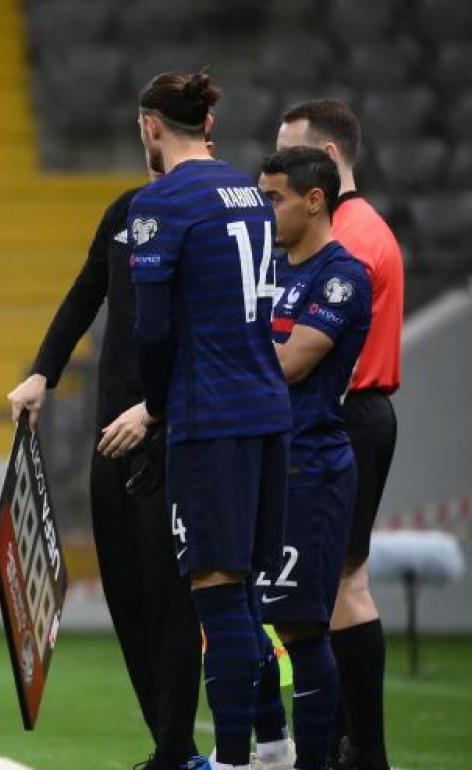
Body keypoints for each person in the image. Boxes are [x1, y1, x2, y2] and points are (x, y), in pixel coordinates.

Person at [115, 70, 292, 770]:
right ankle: (274, 742)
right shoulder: (251, 190)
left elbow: (152, 333)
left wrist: (155, 407)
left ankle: (231, 759)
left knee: (215, 589)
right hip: (266, 407)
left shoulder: (160, 203)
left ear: (152, 127)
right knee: (244, 585)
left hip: (210, 414)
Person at [6, 150, 204, 770]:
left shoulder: (212, 220)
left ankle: (194, 747)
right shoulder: (123, 212)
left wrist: (159, 408)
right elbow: (84, 293)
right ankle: (169, 745)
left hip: (174, 432)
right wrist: (43, 371)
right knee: (127, 594)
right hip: (109, 435)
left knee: (178, 601)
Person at [277, 100, 404, 770]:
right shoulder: (366, 225)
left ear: (324, 156)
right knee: (339, 584)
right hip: (361, 413)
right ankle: (353, 747)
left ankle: (350, 749)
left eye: (292, 153)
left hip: (343, 416)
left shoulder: (344, 241)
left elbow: (303, 350)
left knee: (335, 589)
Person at [257, 146, 372, 770]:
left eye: (273, 196)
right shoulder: (268, 267)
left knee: (302, 629)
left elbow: (293, 362)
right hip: (262, 463)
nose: (265, 208)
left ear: (313, 199)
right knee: (243, 616)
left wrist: (224, 370)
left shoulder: (341, 276)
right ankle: (271, 748)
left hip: (311, 469)